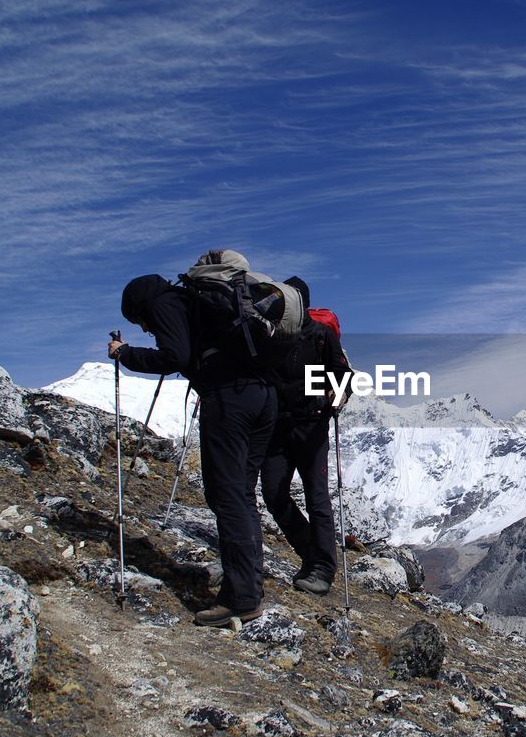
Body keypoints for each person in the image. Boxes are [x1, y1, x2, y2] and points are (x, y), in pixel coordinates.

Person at [110, 254, 277, 627]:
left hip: (229, 399)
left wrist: (126, 354)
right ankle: (247, 588)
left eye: (140, 322)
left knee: (227, 496)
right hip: (264, 396)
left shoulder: (165, 304)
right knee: (241, 494)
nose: (144, 328)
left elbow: (175, 356)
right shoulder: (195, 301)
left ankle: (243, 599)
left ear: (141, 306)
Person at [260, 275, 350, 595]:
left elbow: (342, 376)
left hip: (311, 425)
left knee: (316, 498)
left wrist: (336, 396)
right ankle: (311, 555)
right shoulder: (271, 336)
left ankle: (323, 568)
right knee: (273, 493)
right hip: (278, 425)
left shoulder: (321, 337)